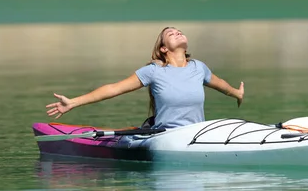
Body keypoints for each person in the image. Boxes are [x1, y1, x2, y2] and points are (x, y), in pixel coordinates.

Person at [46, 27, 245, 129]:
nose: (177, 32)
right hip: (166, 136)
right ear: (163, 48)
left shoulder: (198, 67)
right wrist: (72, 102)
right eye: (170, 34)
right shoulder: (153, 71)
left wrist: (237, 93)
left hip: (196, 134)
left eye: (179, 31)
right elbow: (114, 89)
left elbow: (222, 86)